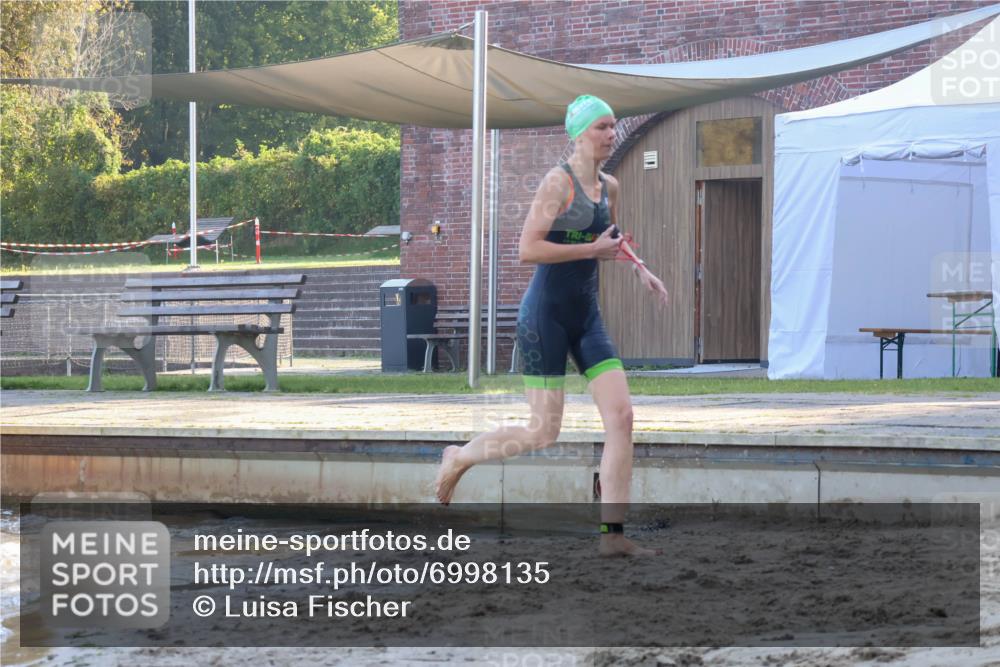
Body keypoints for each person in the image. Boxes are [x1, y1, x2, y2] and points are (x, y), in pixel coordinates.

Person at [434, 94, 670, 557]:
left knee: (622, 419)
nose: (612, 133)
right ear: (579, 133)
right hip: (544, 316)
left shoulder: (611, 186)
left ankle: (613, 537)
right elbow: (528, 249)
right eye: (603, 126)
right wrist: (590, 251)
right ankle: (458, 456)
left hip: (587, 316)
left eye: (614, 125)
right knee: (543, 432)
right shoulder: (556, 185)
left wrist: (639, 265)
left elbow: (611, 239)